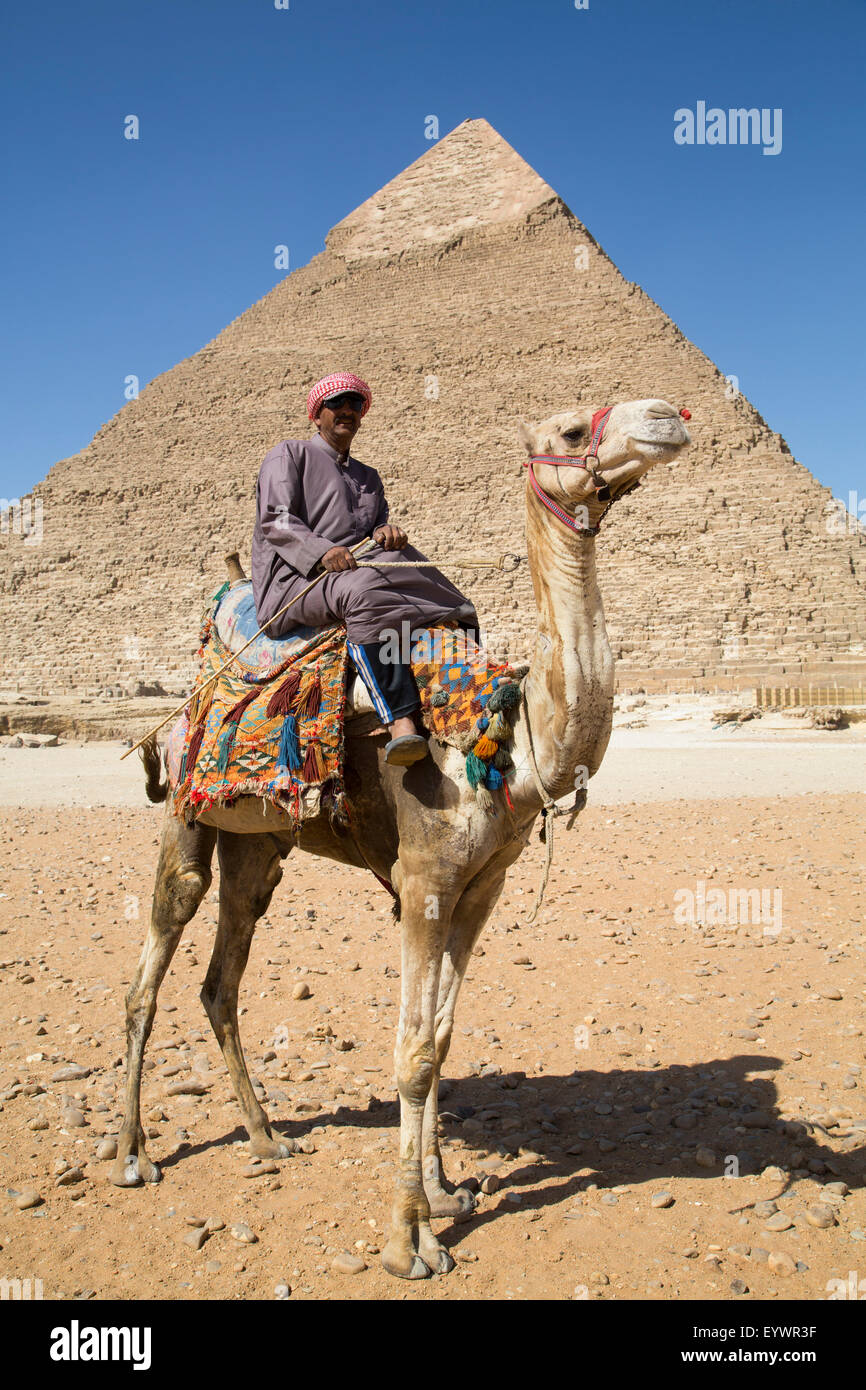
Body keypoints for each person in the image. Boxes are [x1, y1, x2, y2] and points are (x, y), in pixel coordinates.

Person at [251, 372, 479, 766]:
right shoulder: (289, 455)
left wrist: (384, 531)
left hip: (356, 566)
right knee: (365, 594)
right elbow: (277, 520)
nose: (347, 411)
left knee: (448, 593)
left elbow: (371, 531)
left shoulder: (368, 477)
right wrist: (323, 551)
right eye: (336, 403)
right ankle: (400, 719)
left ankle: (472, 692)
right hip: (296, 582)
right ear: (316, 414)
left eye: (355, 404)